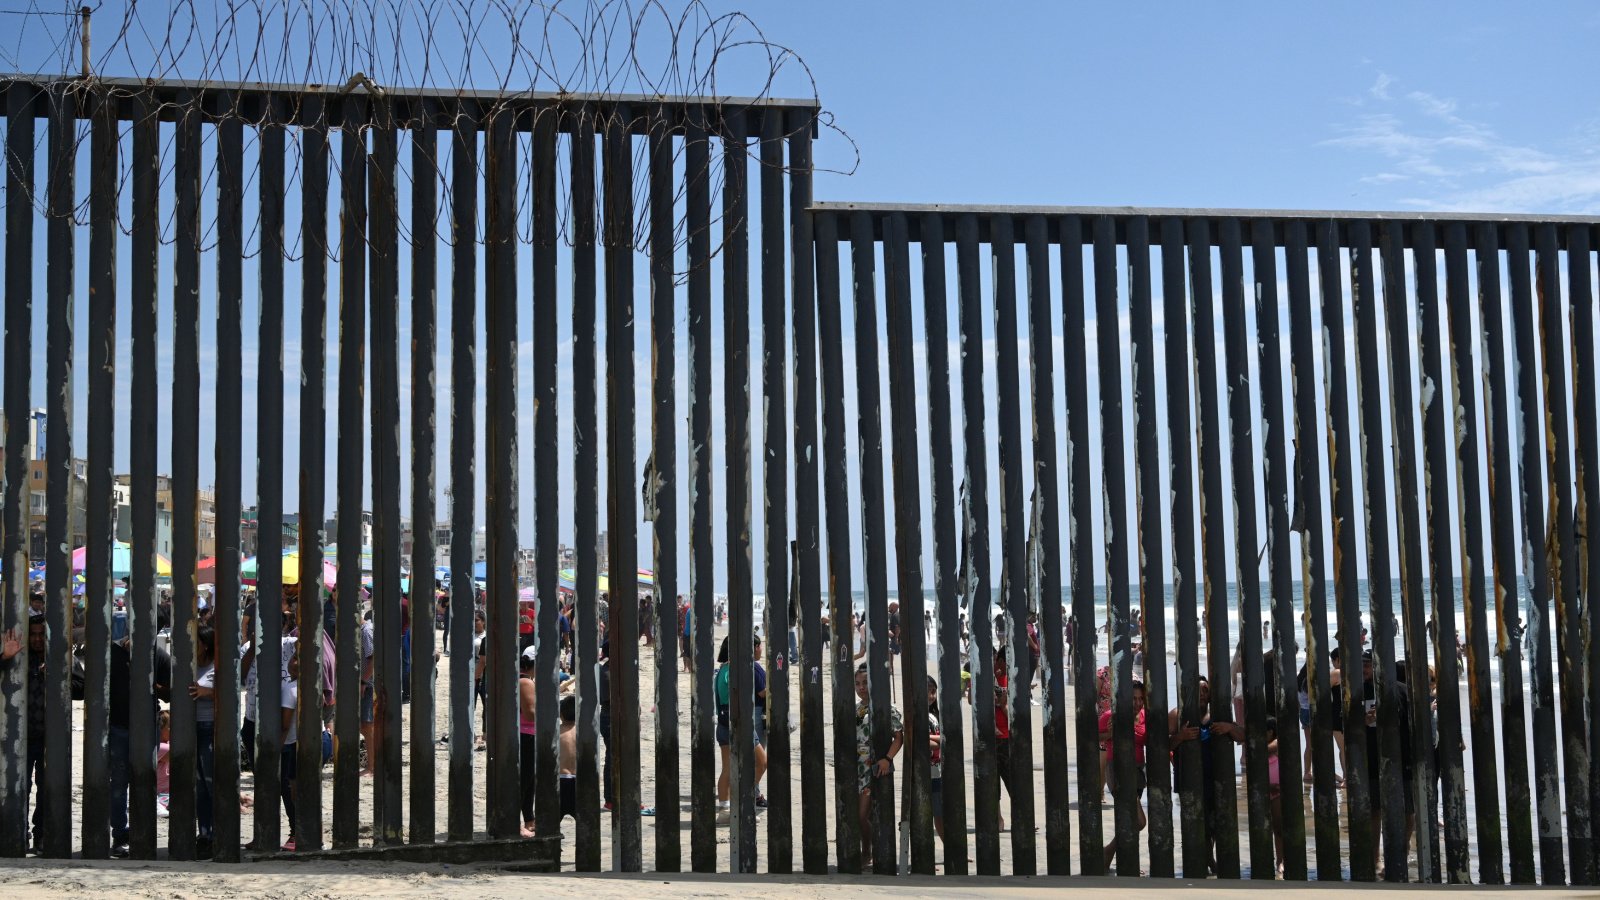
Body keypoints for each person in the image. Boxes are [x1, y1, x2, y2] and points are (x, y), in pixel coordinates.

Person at [107, 616, 173, 857]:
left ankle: (142, 834)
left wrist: (156, 686)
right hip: (118, 727)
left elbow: (171, 693)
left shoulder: (159, 657)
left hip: (147, 729)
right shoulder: (113, 653)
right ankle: (120, 835)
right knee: (119, 783)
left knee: (145, 780)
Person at [1168, 674, 1244, 874]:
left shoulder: (1216, 715)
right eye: (1198, 690)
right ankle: (1200, 860)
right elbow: (1163, 744)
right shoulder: (1177, 715)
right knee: (1194, 820)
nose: (1202, 694)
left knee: (1214, 822)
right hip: (1188, 778)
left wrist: (1229, 727)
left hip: (1214, 778)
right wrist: (1180, 736)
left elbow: (1242, 736)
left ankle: (1209, 858)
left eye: (1205, 691)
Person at [2, 614, 47, 852]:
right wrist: (5, 657)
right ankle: (19, 834)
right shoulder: (18, 660)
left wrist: (61, 674)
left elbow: (80, 690)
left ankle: (41, 834)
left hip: (50, 738)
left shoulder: (58, 660)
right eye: (34, 635)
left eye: (41, 634)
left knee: (46, 788)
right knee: (19, 787)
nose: (37, 640)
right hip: (20, 737)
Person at [714, 633, 769, 823]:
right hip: (736, 723)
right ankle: (741, 803)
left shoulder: (723, 669)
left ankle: (726, 809)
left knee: (728, 768)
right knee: (761, 762)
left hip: (724, 724)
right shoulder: (732, 670)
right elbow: (737, 694)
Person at [854, 662, 903, 870]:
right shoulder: (857, 708)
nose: (861, 687)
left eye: (865, 682)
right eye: (857, 683)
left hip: (872, 768)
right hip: (856, 768)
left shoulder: (885, 706)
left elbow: (899, 737)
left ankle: (868, 852)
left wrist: (888, 759)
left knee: (862, 815)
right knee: (863, 815)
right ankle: (869, 851)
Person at [1101, 680, 1149, 870]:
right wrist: (1109, 734)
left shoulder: (1146, 716)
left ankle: (1124, 861)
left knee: (1128, 818)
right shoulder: (1111, 716)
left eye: (1140, 699)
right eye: (1134, 699)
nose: (1137, 703)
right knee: (1139, 821)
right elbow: (1092, 735)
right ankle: (1110, 851)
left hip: (1138, 771)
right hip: (1118, 770)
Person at [188, 624, 219, 856]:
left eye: (196, 642)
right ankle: (204, 834)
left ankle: (216, 834)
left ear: (205, 644)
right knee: (199, 786)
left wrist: (208, 692)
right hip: (191, 729)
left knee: (211, 784)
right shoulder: (189, 664)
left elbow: (229, 693)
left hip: (209, 728)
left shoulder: (217, 666)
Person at [278, 637, 302, 851]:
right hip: (317, 740)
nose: (291, 661)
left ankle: (297, 833)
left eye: (295, 658)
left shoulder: (289, 689)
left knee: (291, 792)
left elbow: (285, 725)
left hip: (293, 744)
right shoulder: (310, 684)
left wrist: (276, 747)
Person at [518, 649, 538, 837]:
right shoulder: (525, 681)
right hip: (526, 735)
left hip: (526, 735)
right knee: (524, 780)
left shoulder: (525, 680)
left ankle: (529, 819)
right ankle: (518, 823)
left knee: (529, 780)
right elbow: (530, 713)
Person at [926, 675, 944, 839]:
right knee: (928, 814)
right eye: (928, 692)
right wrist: (940, 741)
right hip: (927, 773)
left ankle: (949, 848)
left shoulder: (934, 715)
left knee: (940, 813)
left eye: (933, 692)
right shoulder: (920, 716)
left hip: (938, 772)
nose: (931, 696)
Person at [358, 612, 376, 776]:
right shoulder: (361, 630)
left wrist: (363, 681)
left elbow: (372, 658)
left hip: (368, 685)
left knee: (367, 725)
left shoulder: (366, 631)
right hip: (364, 684)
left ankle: (372, 766)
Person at [558, 694, 578, 822]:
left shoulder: (556, 731)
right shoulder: (582, 731)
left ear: (561, 714)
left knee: (550, 823)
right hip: (578, 781)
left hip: (560, 781)